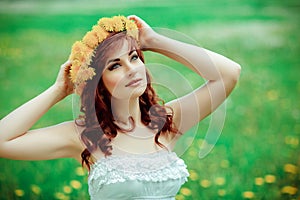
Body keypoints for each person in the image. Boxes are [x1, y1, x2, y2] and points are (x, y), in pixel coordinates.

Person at [0, 15, 241, 199]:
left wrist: (153, 40)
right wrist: (58, 90)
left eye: (134, 57)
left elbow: (229, 74)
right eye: (115, 66)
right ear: (99, 83)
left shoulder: (168, 120)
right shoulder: (84, 135)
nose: (132, 69)